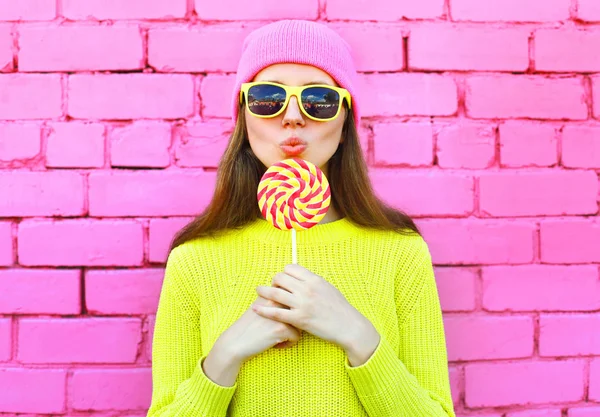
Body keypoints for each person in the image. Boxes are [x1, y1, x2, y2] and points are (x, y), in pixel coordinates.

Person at [146, 19, 456, 417]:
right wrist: (224, 357)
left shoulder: (400, 252)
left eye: (319, 100)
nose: (292, 116)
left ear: (345, 123)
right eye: (267, 97)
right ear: (244, 118)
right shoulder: (195, 258)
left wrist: (357, 336)